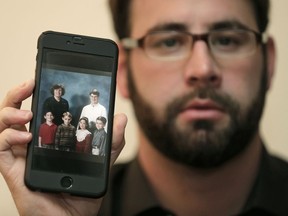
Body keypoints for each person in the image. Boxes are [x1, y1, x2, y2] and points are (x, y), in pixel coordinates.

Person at [0, 0, 288, 216]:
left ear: (269, 62)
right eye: (169, 42)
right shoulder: (74, 207)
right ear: (123, 72)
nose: (202, 69)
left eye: (227, 40)